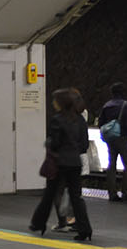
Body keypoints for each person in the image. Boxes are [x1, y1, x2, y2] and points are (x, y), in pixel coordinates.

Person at [30, 87, 93, 241]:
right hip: (75, 163)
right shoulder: (80, 120)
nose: (53, 103)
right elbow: (84, 144)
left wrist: (50, 143)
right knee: (76, 197)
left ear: (61, 103)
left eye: (55, 100)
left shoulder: (57, 119)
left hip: (60, 163)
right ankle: (85, 229)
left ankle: (38, 223)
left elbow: (55, 143)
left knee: (50, 194)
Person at [99, 82, 127, 202]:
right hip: (123, 137)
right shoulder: (126, 105)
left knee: (112, 164)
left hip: (110, 138)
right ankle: (126, 193)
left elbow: (101, 123)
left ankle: (112, 193)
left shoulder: (107, 105)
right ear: (122, 92)